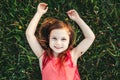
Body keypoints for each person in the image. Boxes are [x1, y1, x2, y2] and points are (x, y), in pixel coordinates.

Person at [26, 3, 95, 80]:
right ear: (49, 38)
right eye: (54, 38)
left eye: (63, 39)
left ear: (69, 40)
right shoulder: (43, 56)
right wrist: (39, 13)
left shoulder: (72, 55)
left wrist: (77, 19)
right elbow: (29, 35)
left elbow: (90, 37)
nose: (58, 43)